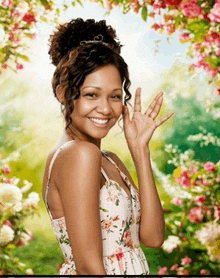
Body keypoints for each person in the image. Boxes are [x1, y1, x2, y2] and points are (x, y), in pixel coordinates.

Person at [42, 18, 174, 276]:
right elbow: (90, 267)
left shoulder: (109, 159)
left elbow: (152, 237)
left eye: (114, 96)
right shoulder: (79, 153)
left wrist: (139, 150)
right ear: (63, 93)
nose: (105, 109)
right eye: (92, 94)